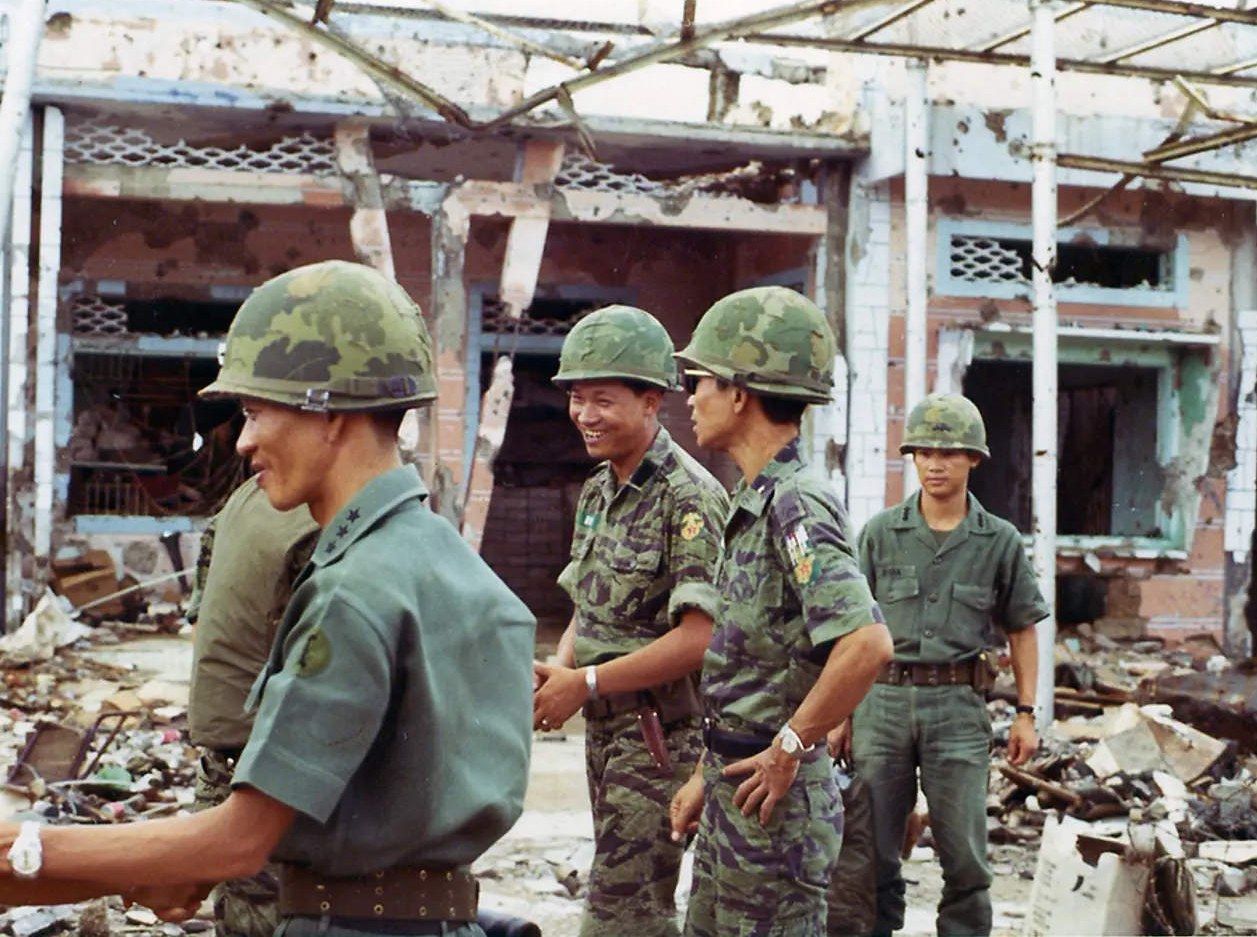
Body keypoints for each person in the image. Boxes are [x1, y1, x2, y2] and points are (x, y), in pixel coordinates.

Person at [0, 260, 536, 937]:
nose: (244, 439)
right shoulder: (450, 565)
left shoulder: (354, 587)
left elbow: (240, 839)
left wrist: (26, 850)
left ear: (329, 413)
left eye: (255, 411)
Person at [668, 286, 894, 936]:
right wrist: (706, 778)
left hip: (776, 814)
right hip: (733, 796)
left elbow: (867, 644)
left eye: (700, 379)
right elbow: (756, 673)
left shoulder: (797, 503)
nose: (692, 395)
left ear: (740, 393)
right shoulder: (753, 502)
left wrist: (790, 747)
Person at [530, 305, 727, 937]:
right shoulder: (598, 490)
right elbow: (586, 608)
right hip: (606, 733)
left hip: (658, 738)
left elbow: (700, 637)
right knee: (633, 906)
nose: (584, 415)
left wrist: (583, 685)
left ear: (652, 402)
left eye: (603, 400)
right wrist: (559, 676)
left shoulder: (689, 498)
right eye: (577, 399)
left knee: (623, 914)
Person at [835, 392, 1047, 937]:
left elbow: (1022, 628)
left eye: (949, 453)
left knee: (966, 858)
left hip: (958, 709)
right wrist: (840, 714)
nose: (934, 463)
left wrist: (1026, 712)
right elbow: (851, 629)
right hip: (880, 704)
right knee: (871, 851)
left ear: (973, 459)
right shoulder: (880, 533)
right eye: (924, 451)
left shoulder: (998, 540)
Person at [187, 477, 319, 937]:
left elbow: (203, 617)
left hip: (225, 750)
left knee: (242, 908)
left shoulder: (242, 499)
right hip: (267, 763)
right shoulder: (323, 523)